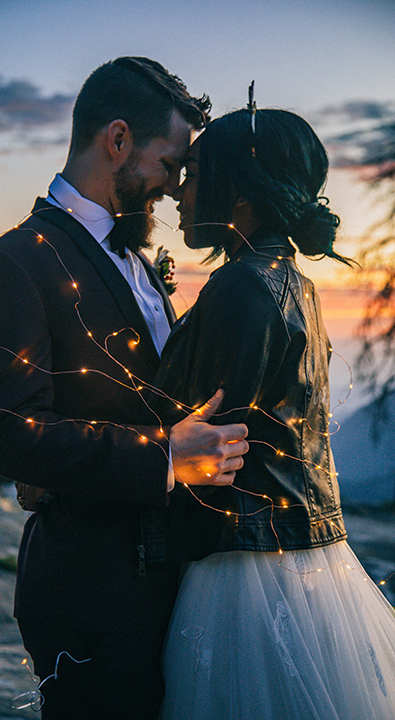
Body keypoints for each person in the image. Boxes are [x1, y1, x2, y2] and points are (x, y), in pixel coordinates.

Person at [0, 57, 249, 720]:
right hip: (88, 594)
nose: (177, 188)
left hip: (166, 581)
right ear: (116, 140)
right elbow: (7, 431)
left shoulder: (141, 260)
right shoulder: (16, 261)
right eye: (170, 163)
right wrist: (165, 457)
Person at [144, 105, 395, 719]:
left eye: (197, 174)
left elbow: (202, 428)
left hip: (243, 563)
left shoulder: (239, 288)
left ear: (242, 195)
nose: (180, 190)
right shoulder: (294, 283)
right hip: (301, 547)